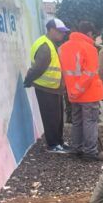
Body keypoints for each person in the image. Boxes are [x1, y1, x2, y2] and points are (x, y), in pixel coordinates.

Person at [59, 20, 103, 161]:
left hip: (73, 94)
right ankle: (90, 152)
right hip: (88, 93)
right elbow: (89, 73)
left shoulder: (63, 48)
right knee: (90, 122)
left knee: (77, 121)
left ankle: (77, 149)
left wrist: (74, 91)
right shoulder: (90, 49)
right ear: (89, 33)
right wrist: (79, 89)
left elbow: (65, 71)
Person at [24, 18, 71, 153]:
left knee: (57, 117)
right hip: (46, 88)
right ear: (51, 30)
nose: (63, 34)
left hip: (54, 88)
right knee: (51, 117)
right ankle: (53, 144)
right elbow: (38, 68)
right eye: (60, 32)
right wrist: (28, 80)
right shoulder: (45, 46)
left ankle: (59, 142)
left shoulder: (51, 44)